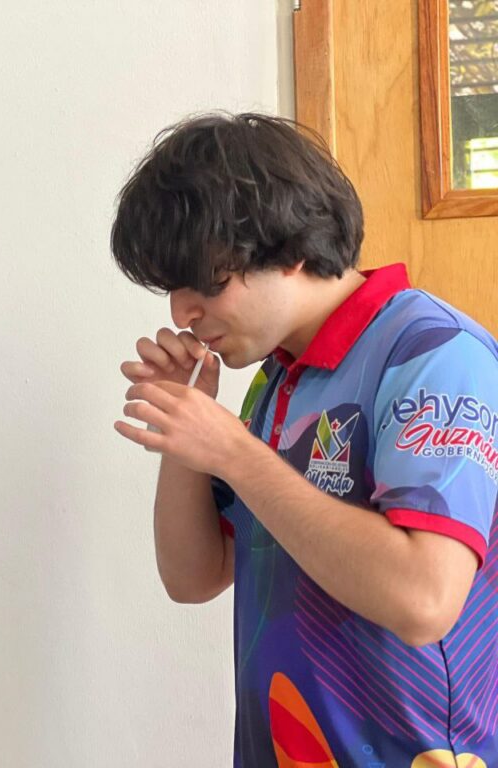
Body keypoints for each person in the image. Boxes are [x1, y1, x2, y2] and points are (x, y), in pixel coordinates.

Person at [111, 113, 498, 765]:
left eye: (206, 281)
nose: (181, 312)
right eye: (171, 287)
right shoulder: (275, 378)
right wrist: (187, 428)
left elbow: (423, 599)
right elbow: (193, 576)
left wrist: (233, 452)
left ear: (289, 247)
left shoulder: (435, 354)